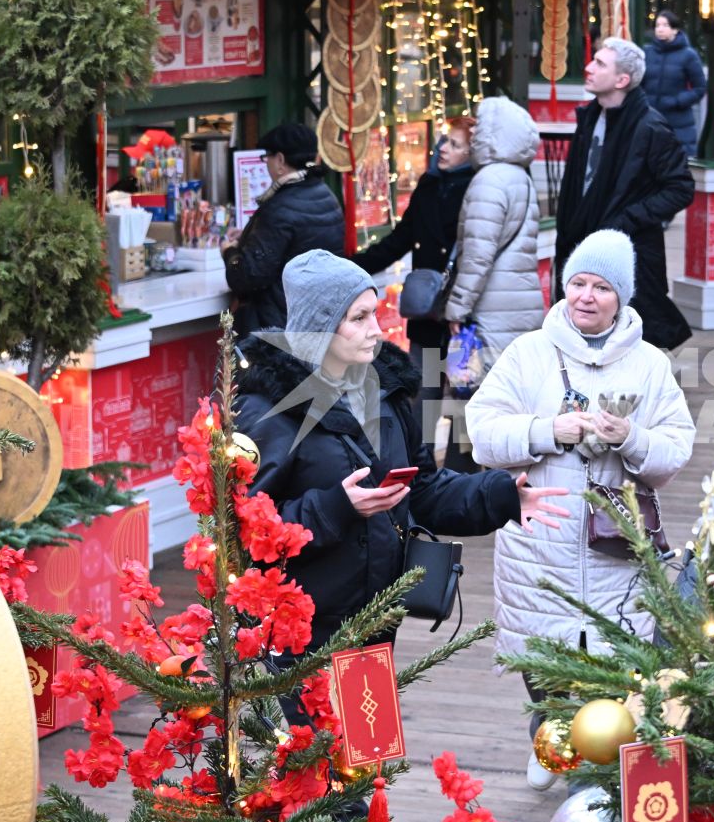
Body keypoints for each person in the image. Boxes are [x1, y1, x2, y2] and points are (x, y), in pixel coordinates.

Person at [236, 249, 570, 662]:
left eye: (375, 313)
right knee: (319, 729)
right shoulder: (266, 410)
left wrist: (499, 494)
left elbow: (423, 488)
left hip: (376, 622)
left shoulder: (387, 394)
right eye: (358, 318)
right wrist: (337, 507)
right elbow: (244, 530)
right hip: (298, 633)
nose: (376, 330)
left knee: (371, 728)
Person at [465, 230, 697, 789]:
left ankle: (599, 767)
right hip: (539, 533)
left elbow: (674, 451)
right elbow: (482, 434)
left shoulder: (649, 365)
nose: (586, 296)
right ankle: (548, 733)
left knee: (620, 658)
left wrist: (632, 438)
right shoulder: (528, 354)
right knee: (542, 649)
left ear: (622, 297)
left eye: (600, 287)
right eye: (577, 283)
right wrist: (548, 430)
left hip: (617, 540)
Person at [555, 38, 696, 350]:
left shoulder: (651, 127)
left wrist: (628, 219)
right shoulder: (590, 117)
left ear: (622, 80)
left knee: (632, 335)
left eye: (600, 64)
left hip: (629, 249)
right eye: (593, 60)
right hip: (582, 242)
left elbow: (680, 188)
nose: (589, 68)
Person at [353, 114, 477, 396]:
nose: (443, 148)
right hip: (427, 310)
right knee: (425, 396)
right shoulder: (429, 185)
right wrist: (353, 266)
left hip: (462, 315)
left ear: (472, 154)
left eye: (455, 145)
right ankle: (424, 442)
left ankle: (459, 441)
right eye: (445, 140)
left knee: (463, 395)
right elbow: (401, 239)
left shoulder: (479, 190)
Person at [444, 95, 545, 359]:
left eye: (481, 124)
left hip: (491, 310)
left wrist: (457, 308)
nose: (474, 130)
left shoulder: (488, 181)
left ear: (496, 131)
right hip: (521, 304)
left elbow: (478, 256)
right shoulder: (521, 178)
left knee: (478, 391)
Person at [223, 122, 345, 336]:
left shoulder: (278, 208)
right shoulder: (327, 195)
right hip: (319, 323)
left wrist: (230, 251)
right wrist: (251, 236)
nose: (267, 165)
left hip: (280, 328)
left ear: (280, 161)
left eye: (267, 158)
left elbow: (246, 277)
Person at [641, 9, 708, 154]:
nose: (660, 29)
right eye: (658, 25)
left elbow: (700, 88)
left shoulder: (688, 55)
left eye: (665, 25)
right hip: (650, 116)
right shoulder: (647, 53)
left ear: (675, 29)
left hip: (679, 121)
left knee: (677, 162)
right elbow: (639, 83)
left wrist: (677, 101)